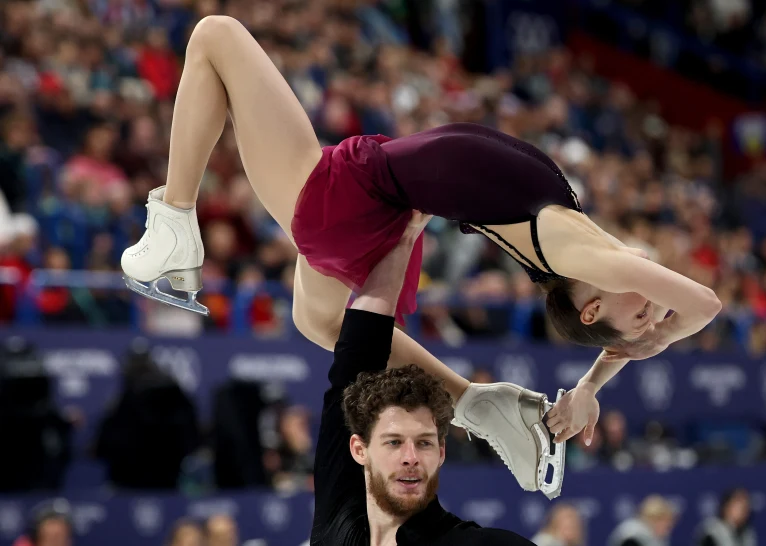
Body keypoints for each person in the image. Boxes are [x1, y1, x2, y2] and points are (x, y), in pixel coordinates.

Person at [120, 15, 720, 490]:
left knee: (215, 36)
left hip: (359, 193)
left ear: (591, 309)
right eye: (652, 310)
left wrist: (649, 340)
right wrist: (593, 383)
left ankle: (174, 221)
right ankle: (478, 406)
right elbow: (651, 315)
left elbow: (703, 304)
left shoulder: (576, 259)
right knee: (317, 319)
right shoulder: (586, 246)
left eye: (644, 311)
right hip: (383, 203)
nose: (655, 303)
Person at [308, 210, 538, 546]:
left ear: (442, 452)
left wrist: (404, 238)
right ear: (359, 450)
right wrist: (402, 239)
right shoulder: (338, 519)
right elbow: (356, 358)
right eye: (394, 441)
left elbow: (360, 347)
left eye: (425, 442)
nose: (411, 457)